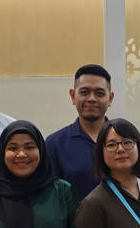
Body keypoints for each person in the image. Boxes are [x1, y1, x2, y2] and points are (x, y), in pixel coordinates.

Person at [44, 63, 115, 199]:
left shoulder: (125, 140)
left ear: (110, 98)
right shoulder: (55, 143)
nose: (91, 99)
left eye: (99, 93)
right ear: (73, 96)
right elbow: (49, 196)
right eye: (84, 92)